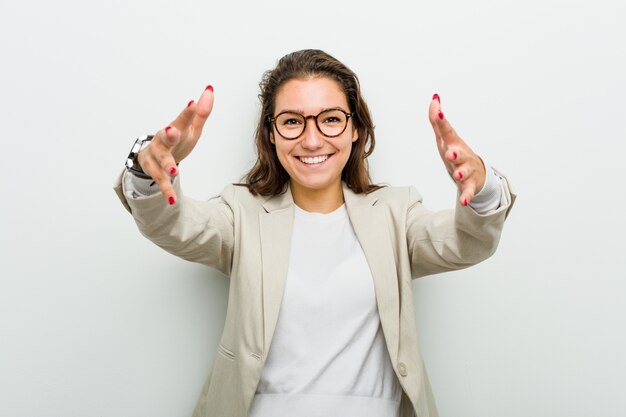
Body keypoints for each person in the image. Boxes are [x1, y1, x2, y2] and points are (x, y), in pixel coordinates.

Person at [114, 49, 515, 417]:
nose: (311, 138)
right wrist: (146, 173)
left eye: (330, 119)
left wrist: (481, 190)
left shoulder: (397, 212)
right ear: (271, 134)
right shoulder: (241, 212)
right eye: (291, 121)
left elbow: (465, 243)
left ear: (355, 128)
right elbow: (175, 226)